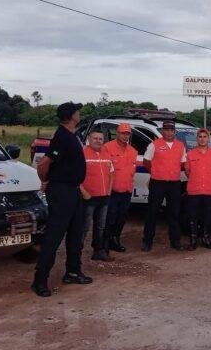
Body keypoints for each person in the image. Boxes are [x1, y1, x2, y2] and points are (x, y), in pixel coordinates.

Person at [32, 102, 92, 297]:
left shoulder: (71, 135)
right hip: (62, 192)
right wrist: (47, 181)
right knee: (54, 236)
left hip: (73, 191)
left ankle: (73, 271)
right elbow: (43, 163)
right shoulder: (62, 136)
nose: (79, 113)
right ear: (70, 115)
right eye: (77, 111)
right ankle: (39, 281)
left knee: (76, 233)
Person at [142, 120, 186, 251]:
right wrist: (156, 172)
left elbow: (183, 163)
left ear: (174, 131)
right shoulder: (154, 145)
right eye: (166, 129)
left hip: (174, 183)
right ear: (162, 131)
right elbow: (146, 162)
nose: (169, 132)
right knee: (152, 212)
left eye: (171, 130)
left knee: (174, 213)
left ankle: (175, 241)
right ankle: (147, 241)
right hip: (158, 183)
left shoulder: (180, 145)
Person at [184, 128, 211, 250]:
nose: (202, 139)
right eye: (200, 137)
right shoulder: (190, 154)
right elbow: (188, 172)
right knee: (192, 215)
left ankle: (206, 238)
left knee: (208, 215)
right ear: (197, 139)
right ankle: (193, 239)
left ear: (208, 139)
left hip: (208, 190)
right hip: (194, 189)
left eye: (205, 137)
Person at [103, 123, 137, 253]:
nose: (125, 136)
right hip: (112, 190)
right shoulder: (107, 148)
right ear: (117, 133)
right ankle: (104, 243)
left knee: (121, 217)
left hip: (126, 190)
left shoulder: (133, 151)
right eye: (123, 133)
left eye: (127, 133)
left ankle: (115, 240)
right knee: (109, 218)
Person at [81, 129, 114, 261]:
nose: (98, 141)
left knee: (100, 226)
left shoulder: (106, 153)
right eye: (95, 138)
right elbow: (75, 176)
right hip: (88, 198)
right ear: (89, 139)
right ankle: (76, 254)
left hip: (104, 197)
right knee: (84, 227)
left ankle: (98, 251)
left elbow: (111, 173)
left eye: (100, 139)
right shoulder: (82, 153)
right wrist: (83, 192)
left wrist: (109, 191)